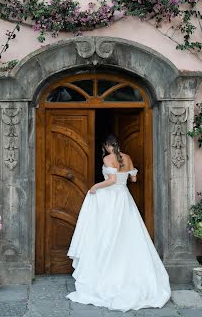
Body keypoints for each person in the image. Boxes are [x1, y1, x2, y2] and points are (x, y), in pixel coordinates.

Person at [66, 133, 171, 312]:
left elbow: (112, 180)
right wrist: (126, 174)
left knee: (109, 231)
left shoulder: (108, 158)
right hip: (124, 197)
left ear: (107, 145)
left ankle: (105, 267)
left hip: (112, 198)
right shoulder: (127, 158)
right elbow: (134, 179)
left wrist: (94, 187)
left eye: (105, 146)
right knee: (129, 232)